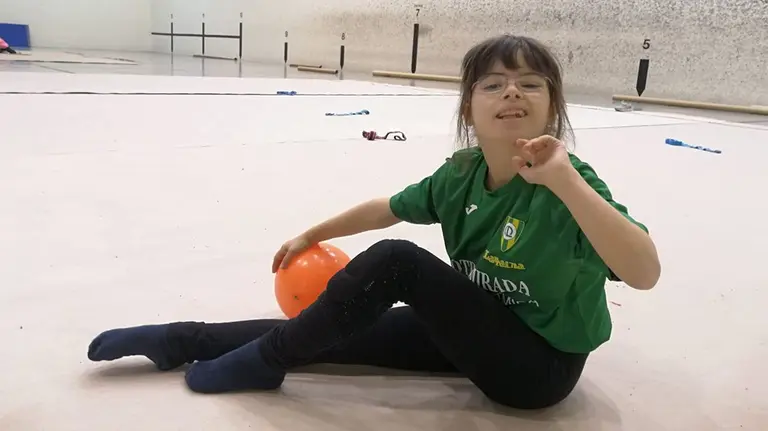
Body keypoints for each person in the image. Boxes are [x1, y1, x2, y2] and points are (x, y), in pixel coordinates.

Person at [87, 34, 660, 410]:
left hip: (537, 370)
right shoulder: (459, 175)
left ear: (552, 106)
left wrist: (564, 182)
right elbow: (387, 206)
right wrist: (314, 234)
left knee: (398, 262)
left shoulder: (572, 184)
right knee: (337, 331)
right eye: (493, 83)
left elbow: (644, 272)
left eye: (530, 83)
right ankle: (183, 340)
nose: (512, 90)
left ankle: (265, 364)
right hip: (476, 329)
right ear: (469, 109)